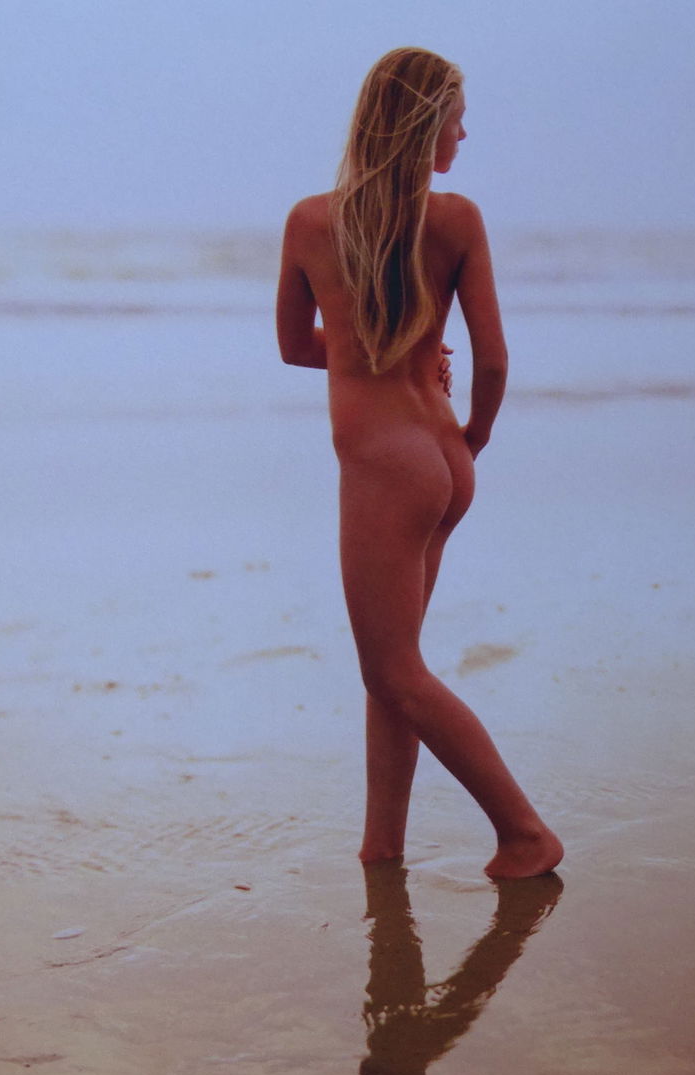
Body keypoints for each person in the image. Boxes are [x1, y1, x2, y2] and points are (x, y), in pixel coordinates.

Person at [276, 47, 562, 878]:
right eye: (454, 120)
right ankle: (383, 846)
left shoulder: (309, 222)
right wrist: (469, 435)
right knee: (395, 667)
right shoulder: (459, 220)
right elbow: (496, 361)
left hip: (384, 466)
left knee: (392, 667)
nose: (464, 134)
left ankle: (523, 831)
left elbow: (296, 348)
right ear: (419, 124)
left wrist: (365, 357)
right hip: (441, 452)